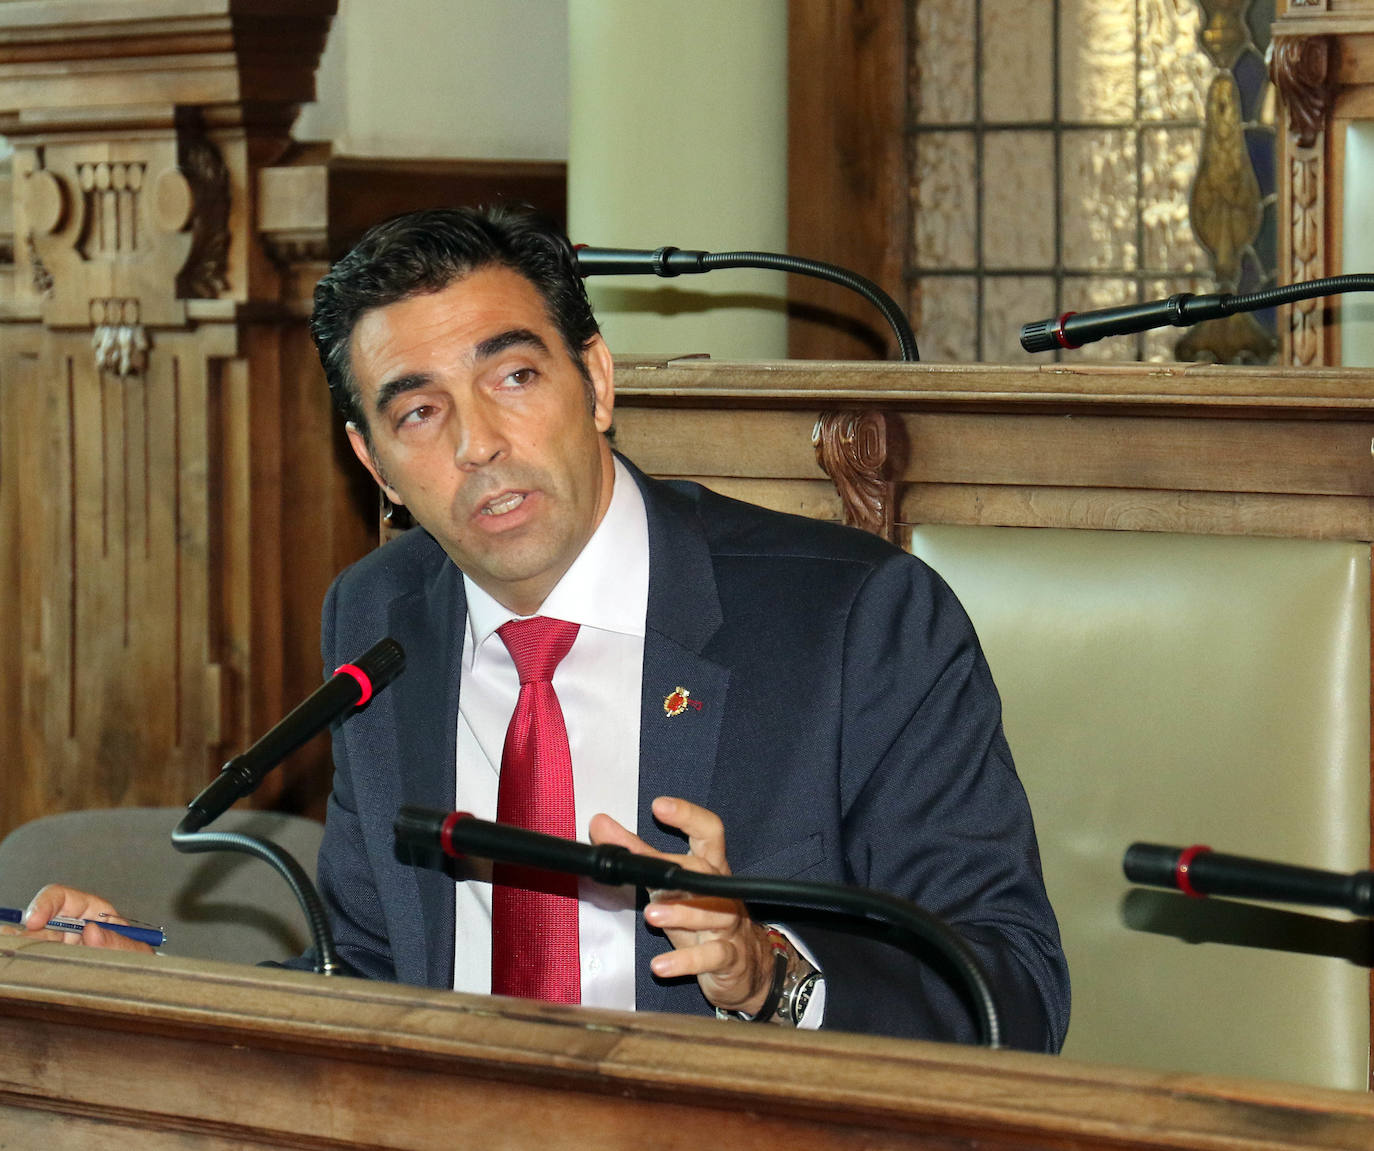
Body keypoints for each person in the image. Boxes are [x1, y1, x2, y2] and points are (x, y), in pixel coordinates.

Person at [13, 207, 1069, 1049]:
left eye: (514, 376)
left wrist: (770, 974)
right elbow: (376, 981)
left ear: (596, 381)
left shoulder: (854, 619)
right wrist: (151, 997)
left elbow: (1012, 994)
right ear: (374, 462)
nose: (478, 442)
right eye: (419, 411)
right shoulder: (382, 619)